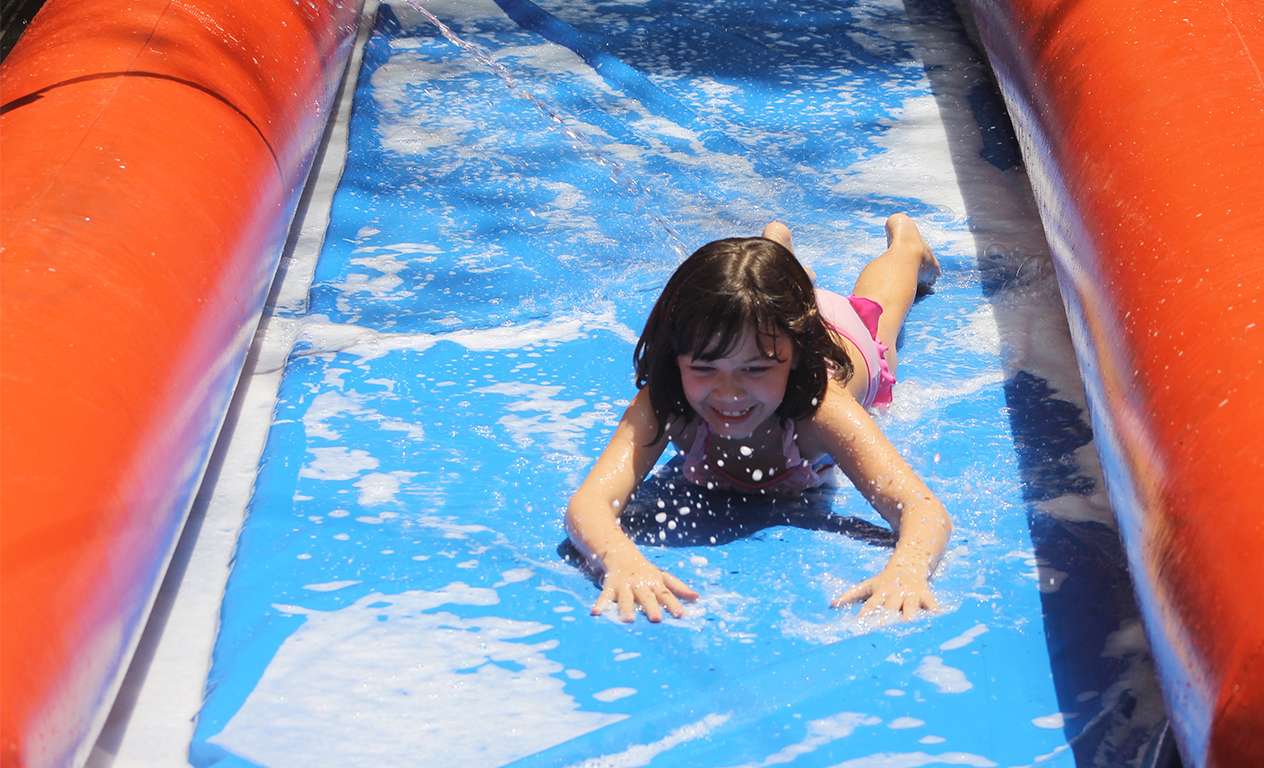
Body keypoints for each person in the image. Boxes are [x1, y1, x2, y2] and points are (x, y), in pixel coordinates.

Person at [566, 214, 952, 623]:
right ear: (676, 359)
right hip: (765, 328)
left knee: (881, 314)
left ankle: (907, 248)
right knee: (759, 300)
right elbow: (589, 503)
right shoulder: (667, 402)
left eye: (755, 370)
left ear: (795, 358)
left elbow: (923, 509)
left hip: (844, 340)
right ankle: (779, 258)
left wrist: (908, 568)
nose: (729, 392)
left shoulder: (820, 408)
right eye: (703, 369)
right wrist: (620, 560)